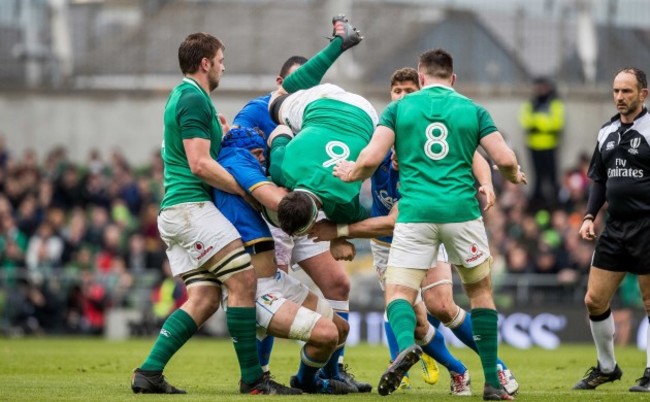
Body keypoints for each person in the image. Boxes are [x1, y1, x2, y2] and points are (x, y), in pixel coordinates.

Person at [309, 67, 518, 397]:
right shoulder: (382, 133)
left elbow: (475, 155)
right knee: (419, 321)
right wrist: (339, 232)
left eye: (410, 90)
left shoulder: (416, 136)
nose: (404, 97)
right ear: (390, 95)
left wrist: (487, 181)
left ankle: (496, 367)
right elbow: (346, 189)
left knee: (442, 306)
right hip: (385, 242)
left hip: (415, 227)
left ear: (420, 86)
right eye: (398, 92)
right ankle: (457, 369)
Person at [131, 32, 295, 395]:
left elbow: (198, 152)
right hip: (191, 209)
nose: (224, 66)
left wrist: (219, 133)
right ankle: (253, 379)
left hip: (178, 212)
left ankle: (149, 373)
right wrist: (246, 190)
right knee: (244, 282)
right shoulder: (192, 96)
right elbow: (199, 164)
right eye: (221, 59)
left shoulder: (190, 97)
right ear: (205, 63)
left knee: (204, 300)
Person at [232, 53, 371, 392]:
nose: (306, 93)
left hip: (310, 210)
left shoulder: (315, 114)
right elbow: (237, 151)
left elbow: (345, 202)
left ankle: (331, 371)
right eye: (299, 85)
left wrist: (336, 232)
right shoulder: (255, 112)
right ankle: (259, 373)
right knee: (269, 294)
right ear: (282, 85)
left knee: (339, 284)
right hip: (273, 215)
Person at [212, 126, 360, 394]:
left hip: (275, 280)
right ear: (254, 152)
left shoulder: (238, 164)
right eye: (261, 155)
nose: (263, 162)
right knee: (327, 334)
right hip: (255, 289)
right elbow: (278, 201)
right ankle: (265, 377)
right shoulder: (236, 158)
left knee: (341, 329)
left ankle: (305, 381)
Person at [573, 67, 650, 393]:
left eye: (627, 91)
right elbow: (600, 179)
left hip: (647, 225)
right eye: (616, 91)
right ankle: (607, 367)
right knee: (594, 300)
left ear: (643, 94)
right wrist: (590, 216)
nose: (619, 97)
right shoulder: (606, 132)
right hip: (615, 226)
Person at [519, 76, 565, 209]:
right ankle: (537, 205)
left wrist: (537, 122)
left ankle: (555, 205)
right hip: (534, 146)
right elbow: (525, 121)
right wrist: (544, 122)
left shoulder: (554, 103)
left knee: (552, 178)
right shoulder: (531, 103)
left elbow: (557, 123)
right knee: (537, 178)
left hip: (550, 145)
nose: (540, 90)